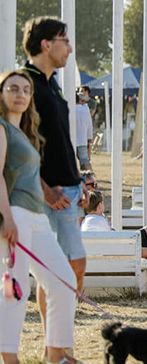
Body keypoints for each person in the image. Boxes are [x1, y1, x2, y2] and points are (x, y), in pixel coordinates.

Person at [0, 69, 87, 364]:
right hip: (16, 218)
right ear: (1, 94)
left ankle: (56, 356)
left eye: (25, 89)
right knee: (14, 290)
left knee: (63, 281)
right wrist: (7, 219)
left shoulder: (23, 131)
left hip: (36, 216)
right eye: (13, 88)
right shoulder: (1, 129)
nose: (20, 94)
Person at [22, 18, 90, 335]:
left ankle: (57, 341)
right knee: (65, 267)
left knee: (65, 268)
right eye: (65, 40)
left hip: (69, 189)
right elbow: (19, 145)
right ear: (46, 44)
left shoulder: (51, 83)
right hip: (49, 194)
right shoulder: (26, 84)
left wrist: (81, 179)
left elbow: (61, 137)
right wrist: (46, 189)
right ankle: (57, 341)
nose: (70, 48)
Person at [74, 92, 93, 171]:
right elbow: (89, 125)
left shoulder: (69, 109)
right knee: (85, 161)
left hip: (71, 139)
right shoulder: (85, 110)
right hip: (82, 139)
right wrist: (89, 138)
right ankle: (90, 179)